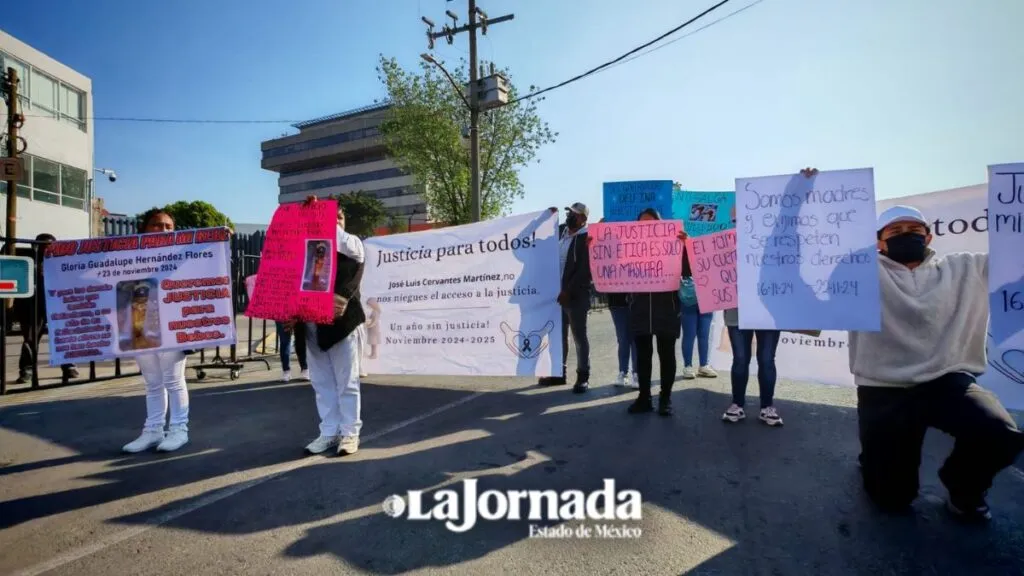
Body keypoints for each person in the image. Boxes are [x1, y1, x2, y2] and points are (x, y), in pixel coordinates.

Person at [849, 199, 1024, 521]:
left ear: (928, 237)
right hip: (883, 387)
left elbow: (1016, 255)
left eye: (914, 230)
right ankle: (874, 455)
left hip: (947, 381)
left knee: (1000, 433)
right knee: (890, 500)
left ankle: (963, 488)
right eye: (895, 231)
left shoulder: (966, 267)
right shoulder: (858, 273)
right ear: (879, 242)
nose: (906, 235)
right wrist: (801, 192)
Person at [287, 197, 366, 456]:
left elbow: (340, 240)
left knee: (347, 383)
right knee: (322, 384)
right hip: (311, 325)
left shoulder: (352, 245)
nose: (334, 223)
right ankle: (329, 432)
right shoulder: (305, 248)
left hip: (341, 326)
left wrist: (322, 216)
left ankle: (350, 433)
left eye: (339, 218)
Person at [123, 209, 191, 453]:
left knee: (173, 380)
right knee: (152, 383)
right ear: (144, 229)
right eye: (156, 225)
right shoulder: (128, 255)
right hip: (140, 322)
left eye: (168, 226)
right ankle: (153, 430)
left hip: (172, 324)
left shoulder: (185, 253)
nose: (163, 230)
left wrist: (220, 238)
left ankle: (179, 430)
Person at [627, 208, 686, 416]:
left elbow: (689, 270)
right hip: (640, 309)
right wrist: (595, 247)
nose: (646, 228)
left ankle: (665, 398)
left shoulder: (676, 244)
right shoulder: (629, 248)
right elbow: (611, 266)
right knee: (643, 356)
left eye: (651, 224)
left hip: (667, 308)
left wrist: (687, 246)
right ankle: (644, 397)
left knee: (667, 355)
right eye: (641, 224)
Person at [538, 202, 592, 394]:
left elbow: (584, 270)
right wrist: (547, 218)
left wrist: (568, 290)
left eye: (574, 214)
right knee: (558, 336)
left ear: (583, 218)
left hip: (576, 296)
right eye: (569, 213)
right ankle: (559, 373)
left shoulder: (586, 238)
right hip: (557, 294)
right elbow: (539, 236)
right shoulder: (561, 232)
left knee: (579, 337)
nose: (570, 217)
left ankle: (583, 376)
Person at [12, 233, 80, 384]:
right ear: (35, 246)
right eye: (43, 246)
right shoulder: (28, 261)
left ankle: (68, 366)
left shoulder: (61, 261)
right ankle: (27, 370)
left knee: (63, 336)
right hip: (32, 305)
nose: (46, 249)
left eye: (50, 246)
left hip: (57, 304)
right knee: (30, 339)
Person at [720, 308, 782, 426]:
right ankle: (737, 404)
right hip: (737, 312)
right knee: (740, 359)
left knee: (766, 360)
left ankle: (767, 406)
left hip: (769, 312)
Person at [679, 246, 716, 379]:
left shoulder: (710, 241)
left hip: (707, 288)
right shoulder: (680, 243)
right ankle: (688, 366)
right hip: (688, 291)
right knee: (690, 333)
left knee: (704, 333)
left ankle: (703, 365)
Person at [607, 292, 638, 388]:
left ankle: (637, 373)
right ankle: (623, 372)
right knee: (622, 339)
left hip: (636, 300)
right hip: (616, 302)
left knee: (635, 339)